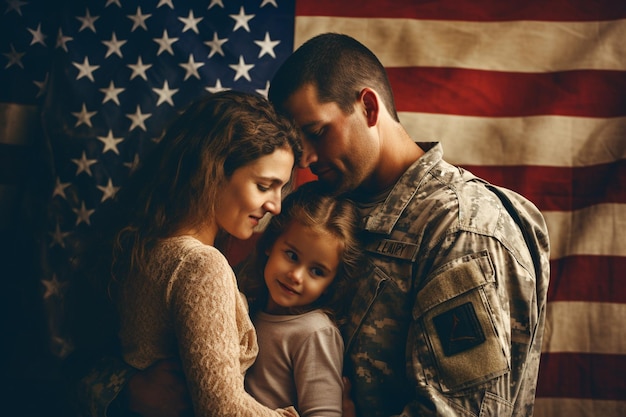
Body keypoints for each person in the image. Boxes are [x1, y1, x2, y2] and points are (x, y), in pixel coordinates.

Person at [74, 33, 551, 417]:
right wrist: (127, 393)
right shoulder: (303, 212)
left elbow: (466, 411)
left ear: (367, 107)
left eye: (316, 132)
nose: (305, 158)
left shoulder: (463, 227)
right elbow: (187, 343)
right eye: (295, 142)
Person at [65, 90, 303, 417]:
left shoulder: (145, 245)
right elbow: (224, 410)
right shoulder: (201, 264)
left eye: (281, 188)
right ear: (213, 171)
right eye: (264, 185)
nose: (275, 206)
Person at [237, 181, 363, 417]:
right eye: (292, 255)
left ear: (331, 284)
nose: (295, 276)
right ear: (270, 244)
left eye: (317, 272)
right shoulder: (247, 307)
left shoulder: (315, 332)